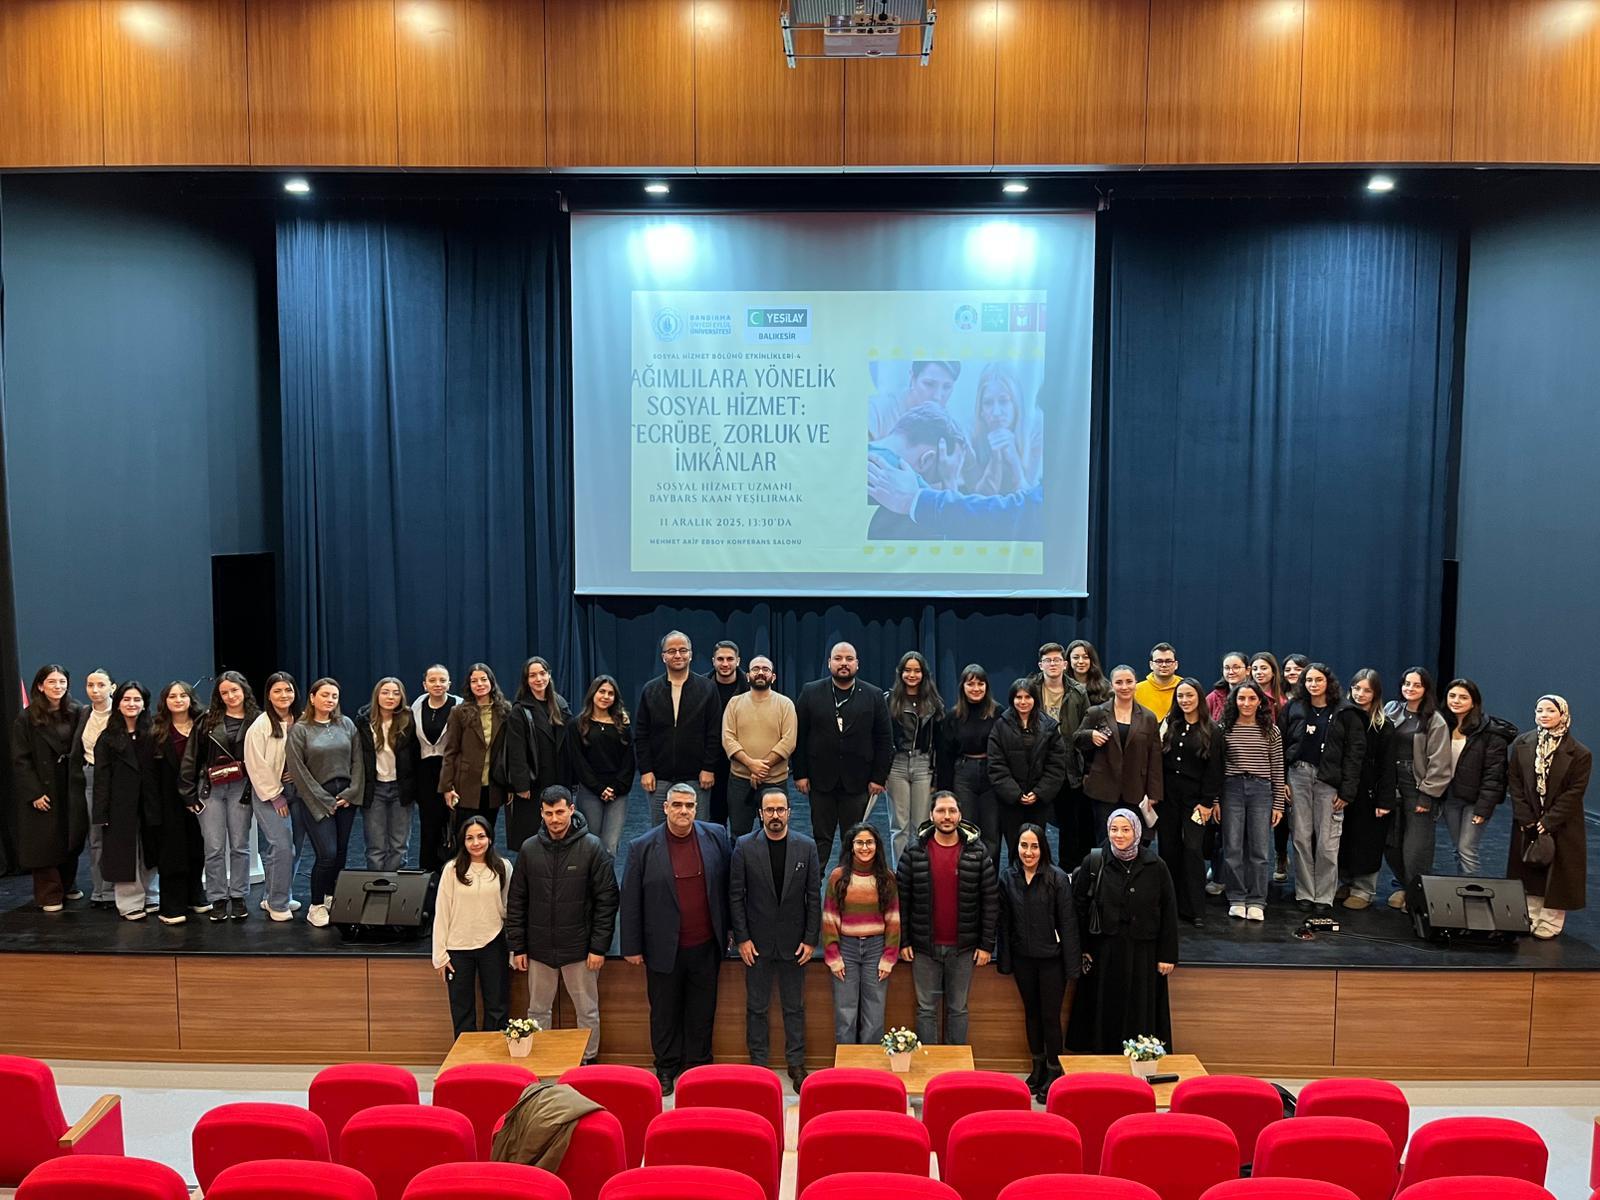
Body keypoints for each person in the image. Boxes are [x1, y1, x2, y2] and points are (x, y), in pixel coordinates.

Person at [620, 783, 733, 1096]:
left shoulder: (716, 836)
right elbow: (630, 899)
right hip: (662, 947)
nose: (684, 811)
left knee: (702, 1011)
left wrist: (730, 930)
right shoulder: (642, 846)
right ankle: (666, 1067)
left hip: (706, 944)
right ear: (665, 808)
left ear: (696, 808)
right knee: (664, 1012)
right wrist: (631, 946)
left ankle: (698, 1067)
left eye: (690, 805)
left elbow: (727, 887)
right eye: (678, 805)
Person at [508, 787, 618, 1064]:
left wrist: (598, 947)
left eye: (560, 812)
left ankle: (588, 1061)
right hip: (539, 949)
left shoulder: (592, 847)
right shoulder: (529, 849)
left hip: (580, 950)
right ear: (541, 813)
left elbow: (607, 901)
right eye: (549, 813)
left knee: (587, 1011)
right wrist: (518, 947)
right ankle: (541, 1063)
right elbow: (517, 900)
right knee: (537, 1011)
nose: (555, 819)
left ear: (571, 809)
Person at [1066, 809, 1179, 1054]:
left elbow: (1169, 911)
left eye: (1125, 830)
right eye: (1113, 829)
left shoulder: (1156, 866)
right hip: (1104, 952)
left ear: (1136, 831)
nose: (1119, 835)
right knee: (1104, 1008)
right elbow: (1078, 909)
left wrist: (1167, 955)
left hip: (1143, 952)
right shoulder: (1094, 861)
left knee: (1139, 1009)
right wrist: (1083, 949)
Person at [730, 786, 821, 1088]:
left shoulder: (806, 847)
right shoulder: (744, 846)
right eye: (769, 810)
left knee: (794, 1007)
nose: (775, 815)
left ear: (789, 813)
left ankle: (796, 1064)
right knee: (756, 1007)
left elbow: (813, 896)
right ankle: (758, 1065)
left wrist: (811, 939)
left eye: (780, 810)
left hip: (795, 944)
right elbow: (736, 896)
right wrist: (742, 938)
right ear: (760, 814)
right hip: (756, 943)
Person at [895, 791, 998, 1047]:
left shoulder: (977, 851)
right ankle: (929, 1066)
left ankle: (956, 1067)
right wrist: (904, 941)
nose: (947, 816)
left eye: (952, 811)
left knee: (958, 1009)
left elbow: (990, 901)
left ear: (960, 815)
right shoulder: (914, 850)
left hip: (964, 948)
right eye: (941, 811)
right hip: (923, 948)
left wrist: (986, 945)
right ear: (931, 815)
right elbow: (902, 900)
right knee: (926, 1010)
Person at [997, 823, 1079, 1102]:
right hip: (1023, 959)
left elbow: (1068, 924)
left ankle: (1055, 1071)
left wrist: (1072, 966)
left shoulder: (1057, 878)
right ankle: (1038, 1066)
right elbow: (1005, 924)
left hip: (1052, 961)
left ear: (1043, 848)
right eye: (1024, 845)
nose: (1028, 852)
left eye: (1034, 846)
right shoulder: (1008, 877)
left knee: (1049, 1017)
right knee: (1031, 1014)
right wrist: (1005, 962)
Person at [793, 642, 893, 868]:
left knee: (854, 839)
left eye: (849, 659)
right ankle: (814, 885)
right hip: (820, 781)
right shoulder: (810, 692)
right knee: (821, 839)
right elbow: (799, 736)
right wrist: (800, 774)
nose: (844, 663)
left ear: (857, 664)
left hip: (858, 782)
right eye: (838, 658)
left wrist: (879, 777)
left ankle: (850, 884)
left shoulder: (874, 695)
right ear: (829, 663)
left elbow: (884, 740)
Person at [1282, 664, 1367, 915]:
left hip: (1329, 781)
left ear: (1328, 682)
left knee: (1327, 842)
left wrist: (1347, 791)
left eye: (1318, 680)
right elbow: (1282, 743)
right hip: (1297, 775)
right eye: (1308, 680)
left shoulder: (1345, 712)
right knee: (1300, 837)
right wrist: (1282, 780)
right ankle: (1305, 892)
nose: (1313, 684)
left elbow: (1354, 754)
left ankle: (1324, 895)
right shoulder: (1294, 707)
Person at [1506, 695, 1591, 939]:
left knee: (1558, 873)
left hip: (1562, 824)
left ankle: (1551, 921)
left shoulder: (1580, 753)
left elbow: (1574, 792)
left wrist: (1549, 821)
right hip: (1528, 819)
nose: (1544, 715)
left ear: (1562, 715)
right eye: (1540, 710)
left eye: (1550, 710)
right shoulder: (1522, 743)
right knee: (1529, 867)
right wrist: (1525, 817)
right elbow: (1515, 782)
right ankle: (1530, 916)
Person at [180, 671, 259, 921]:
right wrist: (188, 794)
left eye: (234, 690)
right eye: (224, 692)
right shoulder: (207, 720)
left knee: (240, 845)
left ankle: (238, 896)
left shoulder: (258, 720)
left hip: (242, 787)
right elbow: (191, 757)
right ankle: (217, 898)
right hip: (210, 788)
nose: (230, 696)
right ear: (218, 696)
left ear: (244, 690)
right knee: (213, 846)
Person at [285, 677, 365, 928]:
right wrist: (324, 799)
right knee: (327, 853)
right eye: (325, 695)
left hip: (346, 798)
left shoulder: (346, 724)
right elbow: (298, 771)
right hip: (316, 798)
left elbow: (358, 760)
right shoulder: (300, 729)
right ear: (312, 698)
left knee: (340, 852)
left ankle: (331, 896)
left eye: (334, 696)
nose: (330, 700)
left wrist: (352, 793)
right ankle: (316, 905)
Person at [12, 664, 85, 913]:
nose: (58, 686)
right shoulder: (27, 718)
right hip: (42, 785)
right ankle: (49, 894)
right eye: (52, 682)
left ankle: (68, 884)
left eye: (62, 682)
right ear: (41, 686)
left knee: (70, 836)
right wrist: (33, 792)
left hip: (70, 783)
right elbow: (20, 759)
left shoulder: (77, 711)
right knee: (44, 842)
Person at [432, 814, 512, 1037]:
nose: (476, 843)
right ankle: (465, 1057)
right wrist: (440, 955)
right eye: (470, 838)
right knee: (462, 1011)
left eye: (481, 836)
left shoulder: (503, 867)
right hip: (458, 948)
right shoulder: (451, 869)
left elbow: (508, 908)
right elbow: (442, 912)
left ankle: (494, 1056)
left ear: (490, 838)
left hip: (493, 944)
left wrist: (514, 949)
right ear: (463, 841)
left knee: (497, 1008)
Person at [822, 823, 901, 1047]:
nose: (865, 847)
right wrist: (833, 956)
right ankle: (846, 1066)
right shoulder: (838, 877)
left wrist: (889, 957)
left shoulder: (887, 878)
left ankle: (870, 1066)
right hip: (846, 948)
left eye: (869, 842)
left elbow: (893, 919)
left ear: (877, 846)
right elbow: (829, 918)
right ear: (851, 846)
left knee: (874, 1014)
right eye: (859, 843)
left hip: (876, 949)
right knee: (845, 1014)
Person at [1381, 667, 1454, 910]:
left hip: (1418, 785)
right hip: (1391, 782)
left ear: (1426, 689)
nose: (1410, 689)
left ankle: (1416, 897)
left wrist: (1427, 795)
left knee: (1416, 847)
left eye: (1416, 685)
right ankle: (1405, 886)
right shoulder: (1392, 709)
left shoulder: (1435, 720)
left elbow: (1440, 762)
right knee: (1391, 843)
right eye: (1407, 684)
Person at [1218, 682, 1287, 921]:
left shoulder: (1271, 730)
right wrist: (1215, 800)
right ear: (1234, 701)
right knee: (1233, 847)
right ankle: (1237, 897)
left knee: (1259, 849)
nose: (1246, 703)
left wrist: (1278, 804)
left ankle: (1257, 899)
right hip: (1231, 789)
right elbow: (1216, 767)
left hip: (1261, 791)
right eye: (1241, 698)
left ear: (1260, 702)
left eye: (1251, 699)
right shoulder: (1224, 728)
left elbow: (1278, 769)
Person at [634, 631, 720, 822]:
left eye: (683, 650)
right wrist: (646, 770)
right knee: (660, 831)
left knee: (698, 830)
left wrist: (708, 768)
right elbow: (641, 734)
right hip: (659, 777)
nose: (678, 655)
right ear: (663, 656)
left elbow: (714, 732)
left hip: (698, 777)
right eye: (671, 651)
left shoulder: (707, 688)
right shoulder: (650, 690)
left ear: (691, 654)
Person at [1159, 678, 1222, 926]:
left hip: (1196, 800)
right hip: (1168, 797)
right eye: (1181, 696)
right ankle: (1170, 904)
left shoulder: (1212, 730)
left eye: (1190, 695)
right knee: (1168, 848)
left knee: (1193, 849)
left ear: (1199, 698)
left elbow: (1215, 770)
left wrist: (1207, 802)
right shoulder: (1170, 724)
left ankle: (1195, 908)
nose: (1185, 700)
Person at [92, 680, 156, 920]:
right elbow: (101, 779)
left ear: (144, 704)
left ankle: (151, 895)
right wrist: (101, 813)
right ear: (118, 703)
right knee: (124, 854)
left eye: (137, 699)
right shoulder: (107, 738)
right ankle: (130, 903)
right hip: (119, 806)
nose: (132, 704)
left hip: (149, 803)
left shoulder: (153, 734)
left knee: (150, 850)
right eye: (126, 699)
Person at [1441, 678, 1517, 876]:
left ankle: (1473, 891)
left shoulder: (1490, 732)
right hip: (1450, 798)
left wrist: (1483, 809)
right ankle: (1461, 888)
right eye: (1452, 696)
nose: (1456, 701)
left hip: (1475, 801)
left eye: (1463, 697)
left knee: (1467, 849)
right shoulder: (1441, 726)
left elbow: (1495, 775)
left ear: (1474, 702)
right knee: (1458, 848)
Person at [988, 678, 1067, 866]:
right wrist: (1016, 794)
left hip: (1039, 802)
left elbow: (1056, 765)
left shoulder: (1050, 726)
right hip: (1011, 803)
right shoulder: (1000, 726)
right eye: (1018, 697)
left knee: (1037, 848)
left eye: (1027, 697)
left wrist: (1038, 793)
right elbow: (996, 765)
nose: (1023, 702)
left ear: (1035, 699)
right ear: (1012, 699)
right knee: (1014, 849)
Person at [1075, 665, 1163, 834]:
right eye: (1119, 682)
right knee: (1105, 838)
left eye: (1129, 681)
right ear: (1111, 685)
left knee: (1134, 838)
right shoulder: (1096, 712)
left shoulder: (1148, 717)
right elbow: (1077, 739)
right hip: (1103, 789)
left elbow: (1155, 757)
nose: (1124, 686)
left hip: (1136, 789)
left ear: (1136, 683)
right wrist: (1090, 735)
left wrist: (1154, 793)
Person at [1337, 670, 1396, 910]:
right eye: (1357, 688)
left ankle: (1364, 890)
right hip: (1345, 789)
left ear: (1376, 693)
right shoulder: (1341, 717)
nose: (1360, 694)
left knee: (1367, 842)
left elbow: (1388, 766)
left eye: (1367, 690)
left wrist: (1384, 800)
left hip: (1370, 793)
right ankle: (1346, 882)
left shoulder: (1383, 725)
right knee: (1344, 838)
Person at [149, 680, 207, 923]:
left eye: (183, 695)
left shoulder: (204, 726)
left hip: (199, 798)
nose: (178, 700)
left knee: (197, 849)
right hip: (167, 800)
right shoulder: (156, 730)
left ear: (191, 699)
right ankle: (172, 906)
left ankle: (195, 896)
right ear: (165, 701)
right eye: (172, 696)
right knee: (172, 853)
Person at [244, 672, 301, 920]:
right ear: (268, 694)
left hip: (298, 792)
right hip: (270, 794)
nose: (284, 695)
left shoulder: (301, 720)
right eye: (277, 690)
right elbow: (256, 765)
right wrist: (275, 796)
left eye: (288, 690)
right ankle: (278, 904)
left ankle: (275, 895)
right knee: (282, 846)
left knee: (293, 847)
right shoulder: (260, 726)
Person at [866, 405, 971, 538]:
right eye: (934, 479)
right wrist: (950, 481)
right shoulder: (910, 487)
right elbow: (954, 536)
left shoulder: (856, 456)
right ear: (926, 460)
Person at [721, 656, 796, 838]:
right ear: (748, 676)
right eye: (755, 669)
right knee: (738, 834)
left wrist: (760, 769)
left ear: (773, 677)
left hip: (775, 781)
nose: (760, 672)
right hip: (740, 781)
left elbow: (788, 741)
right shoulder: (734, 703)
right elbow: (728, 738)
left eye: (765, 669)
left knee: (776, 832)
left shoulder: (785, 704)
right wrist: (750, 764)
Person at [506, 656, 572, 852]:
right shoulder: (520, 710)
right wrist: (521, 785)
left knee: (559, 834)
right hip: (532, 783)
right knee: (531, 836)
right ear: (526, 680)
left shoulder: (560, 704)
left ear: (549, 675)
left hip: (558, 778)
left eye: (542, 673)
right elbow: (516, 752)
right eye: (532, 675)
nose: (538, 679)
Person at [438, 663, 510, 842]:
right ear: (469, 685)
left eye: (483, 679)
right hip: (465, 786)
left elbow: (509, 751)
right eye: (474, 681)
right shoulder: (458, 712)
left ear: (491, 682)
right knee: (465, 836)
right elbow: (450, 752)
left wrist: (511, 785)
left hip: (494, 785)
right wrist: (447, 787)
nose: (479, 684)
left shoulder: (505, 711)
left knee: (487, 835)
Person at [938, 664, 1002, 862]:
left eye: (980, 684)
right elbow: (945, 756)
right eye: (970, 684)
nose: (976, 688)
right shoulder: (953, 716)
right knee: (966, 829)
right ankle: (968, 874)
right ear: (962, 687)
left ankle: (989, 876)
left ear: (987, 686)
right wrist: (944, 791)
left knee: (992, 831)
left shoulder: (998, 713)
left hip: (991, 774)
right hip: (963, 774)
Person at [886, 651, 944, 866]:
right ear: (900, 673)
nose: (912, 675)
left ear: (924, 674)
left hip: (923, 764)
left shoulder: (934, 703)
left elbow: (939, 743)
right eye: (907, 670)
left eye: (917, 671)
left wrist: (936, 774)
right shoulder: (888, 700)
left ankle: (920, 872)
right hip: (896, 765)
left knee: (922, 825)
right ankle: (900, 873)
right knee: (899, 826)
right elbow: (882, 738)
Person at [1036, 643, 1091, 866]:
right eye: (1048, 660)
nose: (1053, 664)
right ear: (1040, 665)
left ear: (1065, 664)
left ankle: (1068, 872)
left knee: (1070, 825)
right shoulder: (1029, 689)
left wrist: (1085, 769)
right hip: (1038, 766)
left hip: (1069, 767)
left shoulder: (1079, 692)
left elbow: (1086, 730)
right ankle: (1039, 869)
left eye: (1057, 660)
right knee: (1036, 823)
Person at [569, 675, 635, 856]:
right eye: (602, 692)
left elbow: (629, 761)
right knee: (591, 845)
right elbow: (578, 761)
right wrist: (598, 788)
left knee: (610, 846)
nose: (606, 696)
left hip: (618, 793)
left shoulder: (623, 725)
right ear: (593, 694)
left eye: (610, 693)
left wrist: (615, 788)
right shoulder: (577, 724)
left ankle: (608, 877)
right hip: (590, 791)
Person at [358, 677, 420, 871]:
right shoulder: (363, 720)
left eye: (396, 693)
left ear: (402, 697)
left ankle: (393, 886)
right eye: (385, 692)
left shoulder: (409, 719)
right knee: (375, 846)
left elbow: (416, 756)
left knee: (399, 845)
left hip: (401, 789)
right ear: (377, 695)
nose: (390, 697)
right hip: (374, 789)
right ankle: (376, 885)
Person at [70, 669, 116, 909]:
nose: (95, 690)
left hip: (117, 779)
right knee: (96, 836)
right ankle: (101, 891)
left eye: (101, 685)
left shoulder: (122, 712)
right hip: (90, 776)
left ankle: (121, 889)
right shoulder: (83, 713)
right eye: (90, 685)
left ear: (112, 687)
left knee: (118, 835)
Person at [412, 665, 461, 873]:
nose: (437, 684)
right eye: (432, 680)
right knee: (429, 828)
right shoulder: (416, 706)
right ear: (425, 685)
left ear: (449, 683)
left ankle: (454, 875)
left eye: (442, 680)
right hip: (425, 774)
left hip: (453, 772)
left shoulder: (459, 705)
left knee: (454, 828)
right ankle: (429, 879)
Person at [963, 363, 1038, 496]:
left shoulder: (1034, 435)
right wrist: (995, 458)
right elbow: (978, 499)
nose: (996, 412)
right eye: (988, 403)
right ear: (980, 410)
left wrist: (1015, 462)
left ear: (1016, 404)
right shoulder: (969, 436)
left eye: (1004, 401)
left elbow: (1034, 501)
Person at [705, 640, 749, 826]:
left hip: (745, 765)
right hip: (711, 766)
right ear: (713, 661)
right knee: (715, 822)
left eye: (730, 659)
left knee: (744, 825)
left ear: (738, 661)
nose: (725, 663)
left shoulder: (752, 687)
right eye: (720, 659)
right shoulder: (700, 687)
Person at [866, 359, 960, 440]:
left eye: (947, 387)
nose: (937, 397)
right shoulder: (876, 411)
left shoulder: (951, 427)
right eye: (929, 384)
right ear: (913, 378)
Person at [1134, 644, 1181, 722]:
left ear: (1176, 665)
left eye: (1168, 661)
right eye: (1159, 661)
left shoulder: (1185, 688)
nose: (1164, 665)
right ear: (1151, 665)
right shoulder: (1137, 690)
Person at [1206, 652, 1249, 720]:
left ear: (1247, 670)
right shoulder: (1213, 698)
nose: (1231, 672)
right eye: (1227, 668)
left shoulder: (1257, 695)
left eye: (1236, 667)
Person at [1067, 640, 1111, 705]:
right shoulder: (1061, 686)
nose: (1081, 661)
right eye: (1076, 657)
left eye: (1085, 657)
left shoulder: (1105, 688)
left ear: (1092, 660)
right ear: (1068, 661)